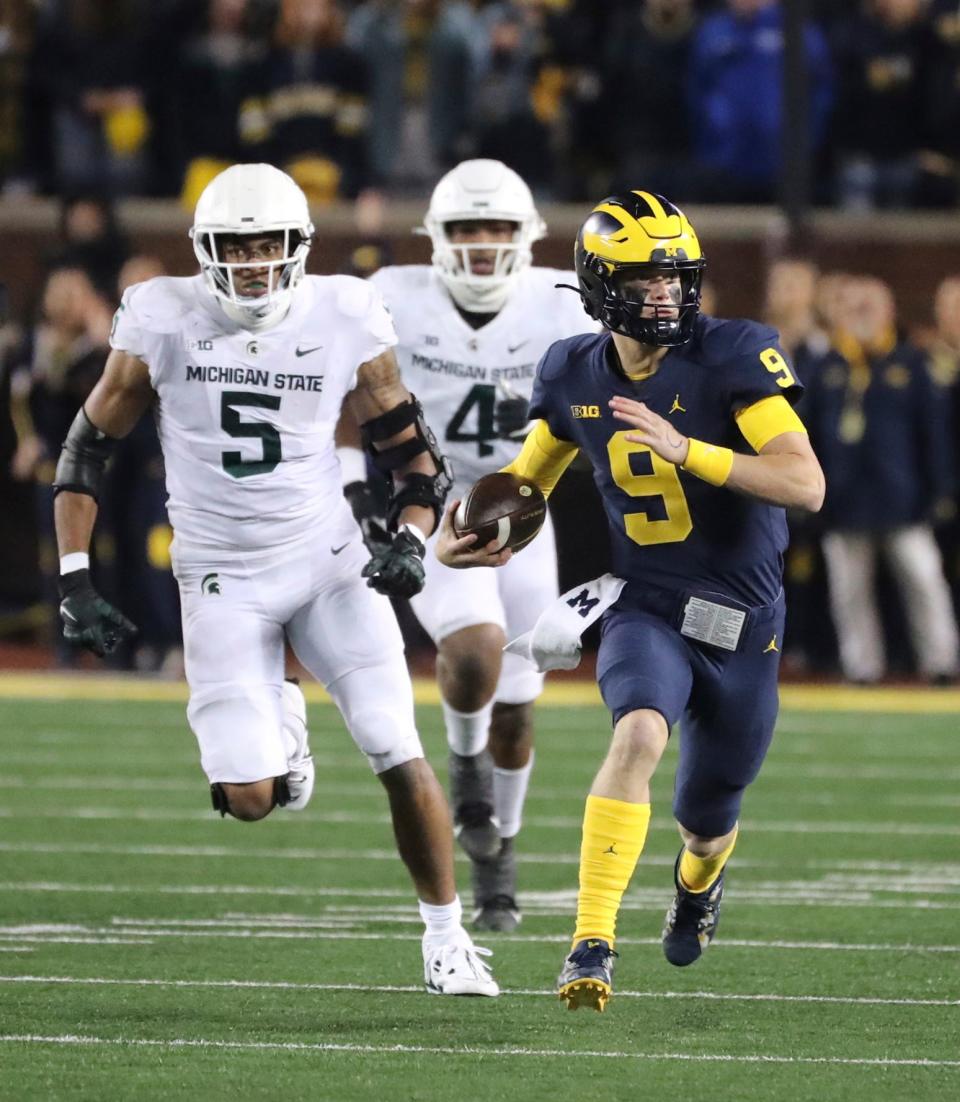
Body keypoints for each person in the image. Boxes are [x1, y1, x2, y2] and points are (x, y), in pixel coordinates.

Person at [50, 162, 498, 997]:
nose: (253, 263)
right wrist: (74, 576)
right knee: (251, 798)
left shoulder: (345, 311)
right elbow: (86, 451)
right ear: (203, 252)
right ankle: (282, 703)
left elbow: (411, 453)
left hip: (327, 561)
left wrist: (411, 535)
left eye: (267, 245)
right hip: (219, 572)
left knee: (394, 744)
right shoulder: (161, 317)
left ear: (297, 248)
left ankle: (447, 939)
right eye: (235, 246)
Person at [436, 190, 825, 1011]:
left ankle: (697, 885)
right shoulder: (572, 369)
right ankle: (592, 942)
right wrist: (467, 536)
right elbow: (526, 483)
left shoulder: (732, 357)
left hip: (744, 621)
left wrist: (691, 450)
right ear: (600, 284)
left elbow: (804, 482)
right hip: (646, 603)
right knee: (639, 733)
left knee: (706, 815)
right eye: (647, 280)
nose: (667, 296)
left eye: (677, 278)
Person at [337, 158, 596, 933]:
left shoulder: (564, 304)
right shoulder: (393, 296)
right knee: (477, 649)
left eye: (496, 229)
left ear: (526, 237)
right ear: (436, 238)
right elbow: (351, 394)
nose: (482, 244)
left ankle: (500, 860)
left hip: (526, 508)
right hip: (436, 503)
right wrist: (357, 488)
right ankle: (462, 760)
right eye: (464, 228)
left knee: (519, 709)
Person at [803, 276, 959, 684]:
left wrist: (938, 490)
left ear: (890, 310)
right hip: (843, 500)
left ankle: (940, 663)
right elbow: (808, 434)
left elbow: (933, 434)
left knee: (924, 581)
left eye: (871, 304)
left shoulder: (909, 362)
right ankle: (862, 667)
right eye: (854, 306)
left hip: (903, 500)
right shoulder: (827, 366)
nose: (862, 313)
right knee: (849, 592)